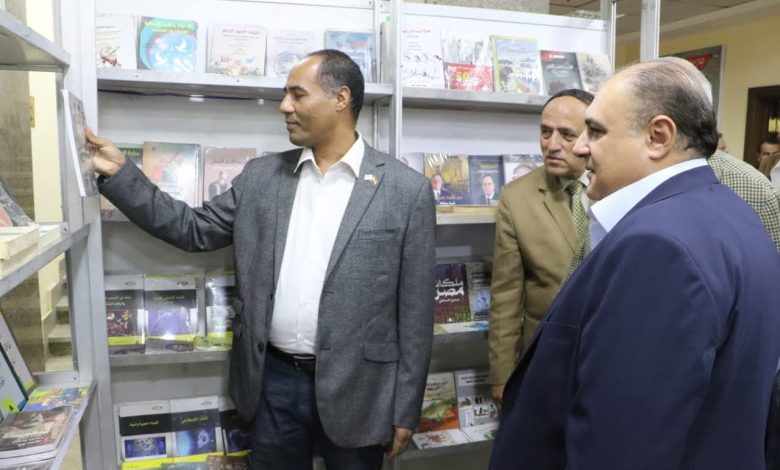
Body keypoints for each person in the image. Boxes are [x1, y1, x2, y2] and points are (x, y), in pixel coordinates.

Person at [88, 50, 436, 470]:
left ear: (340, 99)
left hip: (360, 390)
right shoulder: (260, 177)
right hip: (272, 385)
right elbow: (192, 229)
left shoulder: (406, 191)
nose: (284, 106)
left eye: (297, 94)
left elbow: (416, 314)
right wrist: (120, 174)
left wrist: (405, 409)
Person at [490, 57, 780, 470]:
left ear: (657, 137)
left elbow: (622, 443)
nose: (580, 147)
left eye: (595, 131)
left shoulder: (658, 247)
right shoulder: (732, 212)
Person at [488, 88, 593, 405]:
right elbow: (506, 296)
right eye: (545, 132)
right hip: (545, 360)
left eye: (567, 134)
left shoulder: (621, 187)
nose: (552, 145)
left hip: (608, 357)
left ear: (592, 135)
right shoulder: (517, 197)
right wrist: (502, 375)